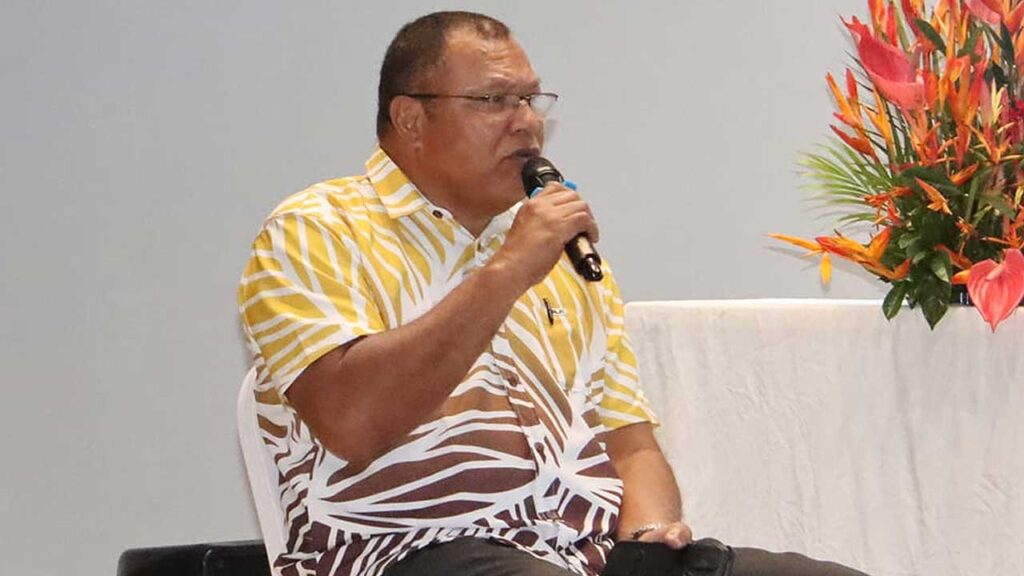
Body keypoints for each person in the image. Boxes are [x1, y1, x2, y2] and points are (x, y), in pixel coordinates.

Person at [238, 11, 869, 576]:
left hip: (583, 554)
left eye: (531, 99)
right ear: (411, 118)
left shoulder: (564, 254)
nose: (527, 122)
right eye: (493, 100)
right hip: (404, 551)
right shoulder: (318, 230)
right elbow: (351, 422)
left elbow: (629, 441)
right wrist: (509, 270)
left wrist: (648, 541)